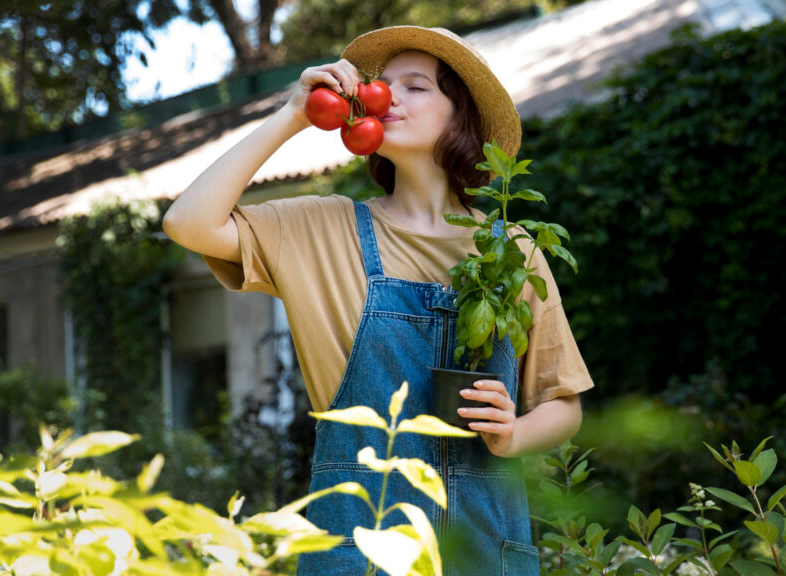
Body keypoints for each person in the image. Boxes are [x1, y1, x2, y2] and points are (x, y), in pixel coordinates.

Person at [163, 25, 594, 576]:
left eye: (415, 86)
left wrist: (513, 436)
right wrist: (293, 114)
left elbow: (563, 404)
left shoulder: (512, 251)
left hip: (486, 546)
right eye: (381, 85)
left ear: (460, 117)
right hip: (357, 550)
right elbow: (187, 221)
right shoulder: (323, 228)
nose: (387, 96)